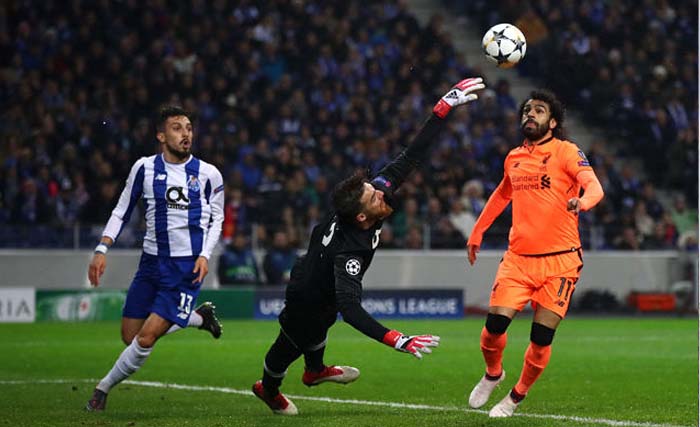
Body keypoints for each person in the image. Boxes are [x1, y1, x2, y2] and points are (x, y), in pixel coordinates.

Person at [252, 77, 485, 415]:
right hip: (306, 293)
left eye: (373, 186)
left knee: (323, 320)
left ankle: (314, 371)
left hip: (317, 271)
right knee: (292, 340)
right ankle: (267, 388)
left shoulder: (366, 201)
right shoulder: (351, 249)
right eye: (373, 195)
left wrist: (442, 108)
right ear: (362, 218)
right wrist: (397, 339)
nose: (381, 191)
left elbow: (410, 156)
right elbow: (352, 309)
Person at [465, 90, 604, 417]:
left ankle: (515, 397)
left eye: (539, 111)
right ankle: (493, 374)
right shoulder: (513, 157)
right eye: (527, 110)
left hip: (560, 261)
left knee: (540, 337)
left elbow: (594, 186)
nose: (531, 114)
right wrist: (478, 230)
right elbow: (502, 194)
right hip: (518, 260)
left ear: (552, 122)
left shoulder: (566, 152)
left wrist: (582, 202)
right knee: (492, 330)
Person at [85, 106, 225, 411]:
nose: (185, 133)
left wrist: (204, 255)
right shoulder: (144, 168)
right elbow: (121, 210)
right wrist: (101, 249)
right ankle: (198, 318)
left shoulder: (208, 174)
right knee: (130, 336)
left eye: (188, 127)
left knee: (146, 338)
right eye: (177, 128)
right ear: (161, 135)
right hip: (150, 263)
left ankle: (101, 390)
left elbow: (218, 219)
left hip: (186, 267)